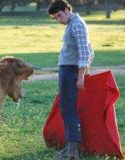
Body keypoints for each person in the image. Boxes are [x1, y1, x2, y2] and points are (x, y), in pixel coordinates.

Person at [47, 0, 94, 159]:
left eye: (59, 15)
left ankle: (73, 150)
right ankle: (70, 147)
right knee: (66, 109)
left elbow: (86, 52)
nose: (59, 20)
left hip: (71, 72)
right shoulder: (71, 24)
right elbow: (88, 49)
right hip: (67, 70)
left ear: (67, 9)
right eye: (56, 18)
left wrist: (81, 75)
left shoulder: (77, 24)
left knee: (69, 109)